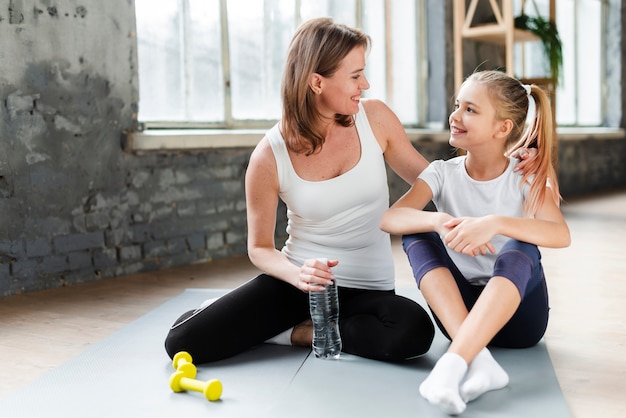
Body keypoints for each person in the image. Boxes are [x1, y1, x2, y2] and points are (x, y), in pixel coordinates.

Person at [164, 17, 437, 364]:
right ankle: (303, 331)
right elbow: (260, 248)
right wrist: (299, 275)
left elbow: (431, 177)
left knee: (413, 332)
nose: (365, 84)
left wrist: (503, 165)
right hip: (300, 285)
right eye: (355, 76)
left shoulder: (376, 119)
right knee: (183, 340)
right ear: (316, 82)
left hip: (370, 288)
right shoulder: (268, 156)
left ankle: (299, 330)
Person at [380, 70, 571, 415]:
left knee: (520, 243)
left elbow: (560, 234)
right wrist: (438, 221)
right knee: (416, 231)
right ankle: (478, 360)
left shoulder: (524, 176)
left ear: (502, 129)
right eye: (458, 105)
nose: (456, 116)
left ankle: (452, 365)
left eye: (471, 109)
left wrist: (494, 224)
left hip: (519, 321)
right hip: (460, 315)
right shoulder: (441, 173)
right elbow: (390, 218)